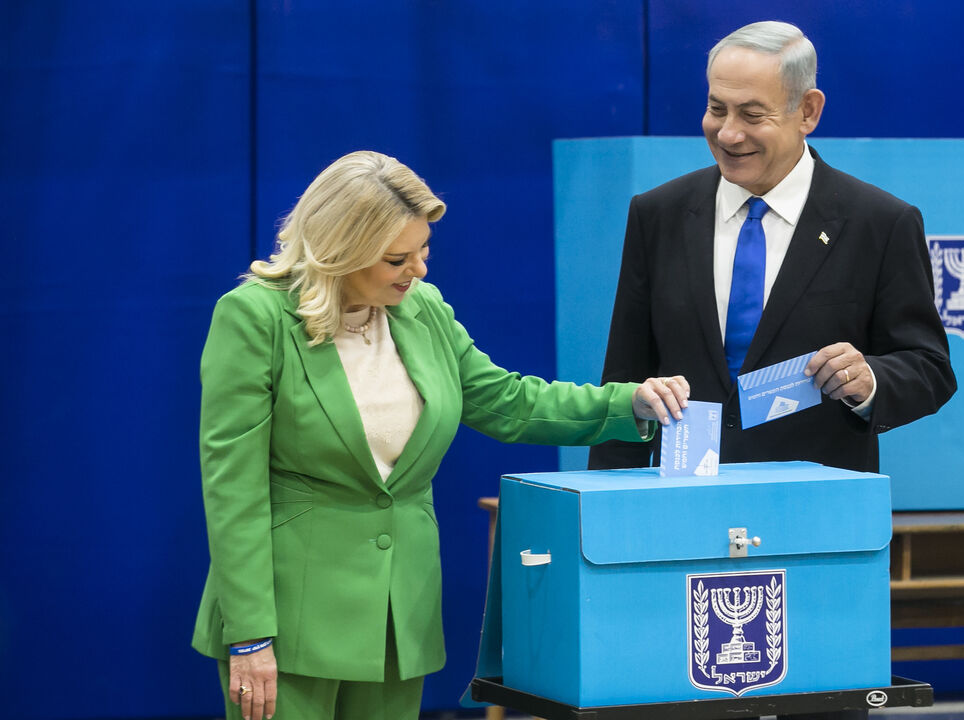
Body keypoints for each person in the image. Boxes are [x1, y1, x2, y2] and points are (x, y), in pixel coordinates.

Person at [191, 150, 690, 720]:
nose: (419, 269)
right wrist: (250, 635)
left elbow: (507, 401)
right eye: (397, 258)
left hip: (399, 621)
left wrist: (630, 403)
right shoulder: (254, 317)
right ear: (340, 248)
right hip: (290, 621)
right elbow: (235, 490)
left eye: (424, 250)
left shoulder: (420, 308)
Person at [589, 21, 955, 478]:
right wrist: (608, 500)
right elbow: (625, 378)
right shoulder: (658, 214)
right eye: (716, 109)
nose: (727, 134)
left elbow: (930, 368)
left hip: (813, 508)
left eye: (752, 115)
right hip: (681, 503)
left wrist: (869, 380)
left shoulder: (879, 223)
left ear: (808, 111)